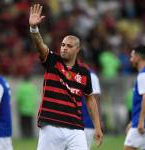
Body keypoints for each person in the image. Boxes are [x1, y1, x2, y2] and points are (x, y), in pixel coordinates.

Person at [29, 4, 103, 150]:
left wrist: (98, 127)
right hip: (51, 125)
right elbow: (40, 46)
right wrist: (34, 29)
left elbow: (90, 99)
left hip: (75, 128)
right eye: (63, 45)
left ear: (77, 49)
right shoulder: (52, 60)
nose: (64, 47)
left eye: (69, 46)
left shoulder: (84, 73)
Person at [82, 71, 101, 150]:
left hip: (87, 123)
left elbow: (95, 99)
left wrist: (97, 124)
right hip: (72, 122)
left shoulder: (91, 75)